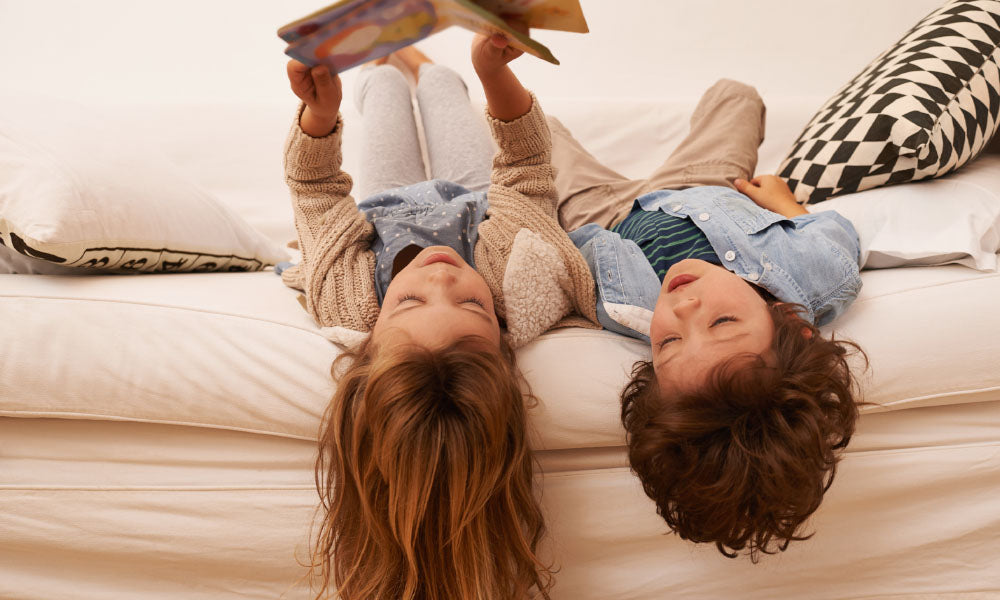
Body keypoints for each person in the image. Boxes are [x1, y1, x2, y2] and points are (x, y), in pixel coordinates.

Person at [280, 35, 599, 600]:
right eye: (473, 306)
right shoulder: (516, 274)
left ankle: (385, 55)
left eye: (408, 302)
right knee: (445, 88)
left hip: (386, 202)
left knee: (379, 93)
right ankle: (419, 59)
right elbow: (526, 169)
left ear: (370, 334)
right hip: (475, 198)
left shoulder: (347, 299)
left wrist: (319, 116)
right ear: (503, 334)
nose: (442, 278)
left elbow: (316, 192)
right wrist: (493, 74)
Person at [550, 80, 866, 561]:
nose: (683, 310)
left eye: (669, 343)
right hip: (707, 185)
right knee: (737, 94)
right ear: (787, 322)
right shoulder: (819, 277)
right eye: (722, 323)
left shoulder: (620, 309)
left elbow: (576, 251)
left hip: (608, 209)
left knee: (540, 127)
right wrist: (784, 203)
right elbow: (836, 233)